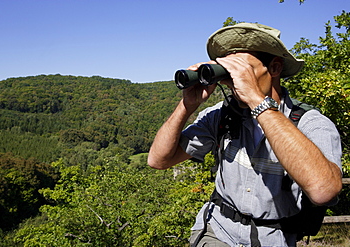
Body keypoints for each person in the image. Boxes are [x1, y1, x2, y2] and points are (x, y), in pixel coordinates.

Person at [147, 23, 343, 247]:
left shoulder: (311, 124)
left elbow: (324, 191)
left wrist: (257, 101)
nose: (235, 80)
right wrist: (187, 105)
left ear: (275, 68)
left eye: (243, 70)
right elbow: (158, 160)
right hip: (219, 231)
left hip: (274, 239)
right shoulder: (221, 115)